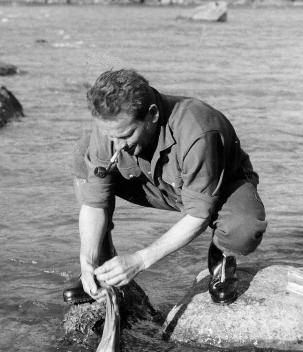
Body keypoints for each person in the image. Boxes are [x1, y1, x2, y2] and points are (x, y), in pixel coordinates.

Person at [63, 69, 267, 305]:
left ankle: (222, 255)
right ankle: (102, 267)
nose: (117, 148)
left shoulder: (198, 130)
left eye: (126, 135)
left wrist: (140, 260)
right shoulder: (111, 125)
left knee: (244, 230)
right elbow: (94, 203)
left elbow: (199, 215)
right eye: (111, 138)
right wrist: (86, 260)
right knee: (82, 153)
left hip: (219, 187)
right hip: (155, 184)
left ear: (152, 114)